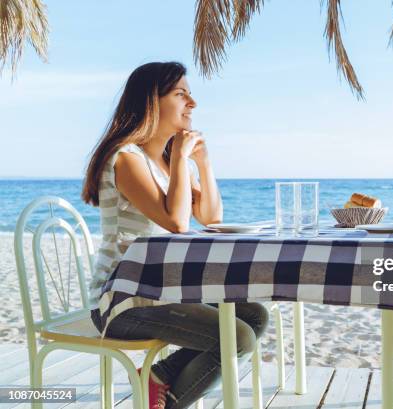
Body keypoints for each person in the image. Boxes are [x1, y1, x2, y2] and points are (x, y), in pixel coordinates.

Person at [82, 61, 268, 409]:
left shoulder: (167, 162)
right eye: (182, 94)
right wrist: (182, 157)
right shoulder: (126, 158)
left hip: (162, 292)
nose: (193, 104)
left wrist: (203, 163)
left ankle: (155, 378)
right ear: (152, 101)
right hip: (122, 301)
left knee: (254, 315)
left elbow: (211, 218)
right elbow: (177, 222)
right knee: (238, 338)